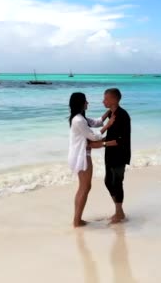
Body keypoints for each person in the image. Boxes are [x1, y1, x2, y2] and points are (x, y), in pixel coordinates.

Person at [68, 92, 117, 228]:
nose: (87, 103)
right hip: (81, 156)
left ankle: (77, 220)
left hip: (81, 154)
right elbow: (94, 137)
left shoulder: (80, 118)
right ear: (81, 103)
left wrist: (108, 112)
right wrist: (109, 125)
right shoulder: (78, 120)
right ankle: (77, 221)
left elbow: (96, 122)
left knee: (83, 187)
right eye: (86, 101)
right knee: (85, 187)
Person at [90, 88, 131, 224]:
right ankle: (119, 211)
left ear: (114, 99)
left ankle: (119, 213)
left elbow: (121, 140)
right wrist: (99, 141)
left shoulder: (122, 115)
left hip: (120, 154)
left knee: (117, 183)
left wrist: (101, 144)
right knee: (108, 182)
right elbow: (105, 127)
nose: (103, 101)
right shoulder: (111, 114)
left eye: (106, 99)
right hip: (110, 153)